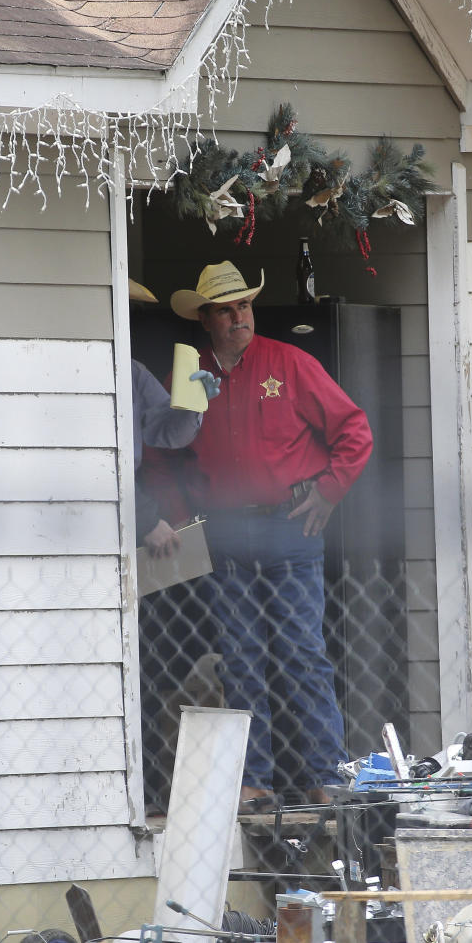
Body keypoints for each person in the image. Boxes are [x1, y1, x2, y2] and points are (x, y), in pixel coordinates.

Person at [170, 260, 373, 811]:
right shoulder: (190, 376)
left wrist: (329, 491)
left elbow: (354, 428)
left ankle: (325, 777)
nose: (238, 317)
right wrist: (176, 513)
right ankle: (254, 781)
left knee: (302, 653)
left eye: (244, 306)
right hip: (227, 531)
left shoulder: (289, 362)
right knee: (241, 658)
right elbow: (171, 453)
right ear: (207, 319)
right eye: (226, 310)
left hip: (289, 524)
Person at [128, 279, 220, 557]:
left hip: (125, 502)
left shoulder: (132, 371)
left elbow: (167, 434)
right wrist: (145, 518)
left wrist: (195, 403)